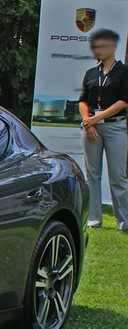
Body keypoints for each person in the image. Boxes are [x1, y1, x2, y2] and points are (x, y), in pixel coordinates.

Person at [79, 28, 128, 230]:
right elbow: (82, 101)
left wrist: (97, 118)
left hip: (115, 127)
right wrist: (87, 121)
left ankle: (123, 221)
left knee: (118, 176)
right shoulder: (91, 73)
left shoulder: (124, 72)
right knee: (93, 174)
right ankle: (94, 218)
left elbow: (124, 100)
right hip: (91, 128)